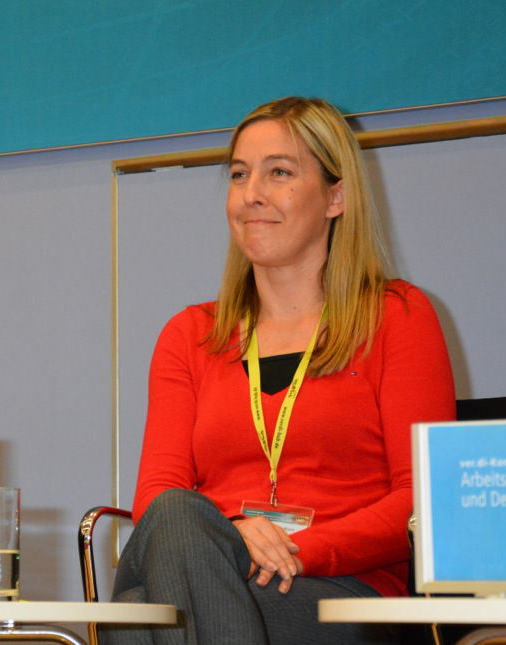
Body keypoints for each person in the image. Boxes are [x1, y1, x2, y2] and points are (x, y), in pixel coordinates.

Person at [105, 97, 455, 645]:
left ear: (336, 197)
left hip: (340, 589)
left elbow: (422, 502)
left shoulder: (396, 317)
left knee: (136, 620)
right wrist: (232, 542)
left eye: (280, 173)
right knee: (172, 515)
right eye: (239, 175)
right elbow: (156, 494)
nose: (251, 194)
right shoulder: (190, 335)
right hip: (214, 562)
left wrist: (291, 550)